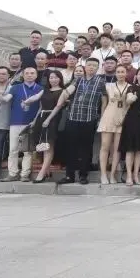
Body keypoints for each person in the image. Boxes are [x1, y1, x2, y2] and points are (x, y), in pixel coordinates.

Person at [52, 57, 107, 185]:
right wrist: (61, 100)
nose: (91, 67)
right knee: (70, 147)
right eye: (89, 65)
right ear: (85, 66)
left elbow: (104, 100)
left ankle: (83, 175)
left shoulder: (100, 81)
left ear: (97, 68)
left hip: (89, 118)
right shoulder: (78, 79)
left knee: (86, 148)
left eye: (94, 65)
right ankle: (69, 176)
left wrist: (102, 117)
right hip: (73, 117)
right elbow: (67, 92)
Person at [27, 69, 65, 183]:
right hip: (41, 117)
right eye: (51, 78)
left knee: (49, 146)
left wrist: (48, 119)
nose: (53, 80)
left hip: (53, 118)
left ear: (60, 79)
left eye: (56, 77)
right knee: (43, 146)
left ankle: (41, 174)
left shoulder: (63, 91)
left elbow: (58, 107)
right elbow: (40, 105)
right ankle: (47, 170)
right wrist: (34, 120)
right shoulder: (45, 90)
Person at [5, 66, 41, 181]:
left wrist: (36, 121)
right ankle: (12, 173)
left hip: (31, 123)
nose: (29, 75)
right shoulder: (15, 88)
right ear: (23, 75)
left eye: (32, 73)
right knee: (13, 149)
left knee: (28, 150)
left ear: (36, 75)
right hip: (15, 121)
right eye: (27, 73)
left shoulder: (40, 89)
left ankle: (25, 174)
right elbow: (7, 98)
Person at [119, 67, 140, 185]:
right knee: (130, 149)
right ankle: (128, 175)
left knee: (139, 150)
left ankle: (136, 176)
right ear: (136, 76)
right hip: (132, 121)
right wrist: (131, 98)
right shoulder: (132, 88)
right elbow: (128, 100)